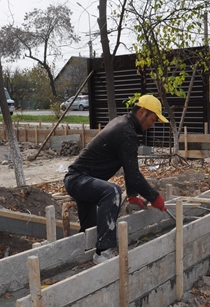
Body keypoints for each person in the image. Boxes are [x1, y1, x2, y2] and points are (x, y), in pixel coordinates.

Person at [64, 94, 170, 264]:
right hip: (78, 179)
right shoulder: (125, 131)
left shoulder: (124, 125)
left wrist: (133, 194)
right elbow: (134, 175)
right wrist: (154, 197)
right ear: (142, 112)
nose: (152, 124)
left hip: (85, 181)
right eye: (153, 119)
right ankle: (103, 252)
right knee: (112, 191)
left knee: (89, 232)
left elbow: (129, 169)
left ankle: (80, 257)